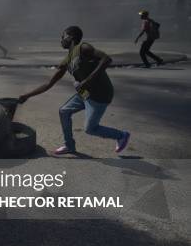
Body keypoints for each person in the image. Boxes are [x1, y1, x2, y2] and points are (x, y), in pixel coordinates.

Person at [18, 25, 130, 155]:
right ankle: (69, 145)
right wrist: (27, 95)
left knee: (90, 129)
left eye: (63, 36)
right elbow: (49, 84)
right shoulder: (67, 59)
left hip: (100, 95)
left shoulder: (83, 48)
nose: (61, 40)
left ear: (71, 37)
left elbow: (106, 59)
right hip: (85, 93)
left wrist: (88, 80)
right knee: (64, 111)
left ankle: (121, 135)